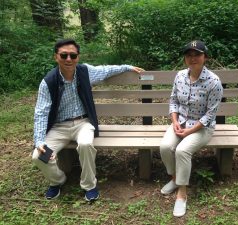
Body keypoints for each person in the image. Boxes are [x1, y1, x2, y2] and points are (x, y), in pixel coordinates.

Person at [32, 39, 144, 201]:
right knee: (39, 156)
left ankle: (89, 185)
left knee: (85, 145)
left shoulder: (85, 71)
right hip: (59, 127)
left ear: (77, 57)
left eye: (73, 55)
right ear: (56, 57)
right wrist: (40, 140)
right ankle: (57, 180)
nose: (68, 59)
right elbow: (41, 113)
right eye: (64, 55)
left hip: (83, 124)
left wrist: (127, 67)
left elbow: (106, 70)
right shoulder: (48, 82)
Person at [159, 40, 223, 217]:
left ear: (205, 57)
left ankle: (182, 193)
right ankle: (174, 178)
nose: (192, 58)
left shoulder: (213, 82)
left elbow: (210, 114)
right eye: (189, 55)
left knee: (182, 151)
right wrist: (174, 122)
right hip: (180, 122)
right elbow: (173, 101)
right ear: (185, 58)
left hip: (202, 127)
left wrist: (189, 131)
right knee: (165, 147)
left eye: (197, 54)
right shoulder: (180, 76)